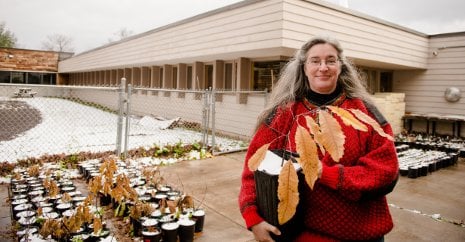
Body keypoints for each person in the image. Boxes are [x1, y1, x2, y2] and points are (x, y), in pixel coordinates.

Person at [238, 35, 399, 242]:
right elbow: (253, 169)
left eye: (330, 60)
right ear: (304, 68)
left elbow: (385, 172)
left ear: (341, 67)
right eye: (315, 61)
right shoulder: (284, 115)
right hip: (302, 235)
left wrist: (325, 173)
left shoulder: (364, 113)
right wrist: (253, 218)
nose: (323, 67)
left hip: (362, 234)